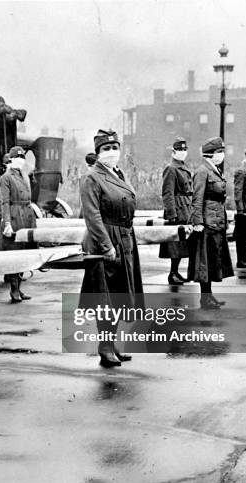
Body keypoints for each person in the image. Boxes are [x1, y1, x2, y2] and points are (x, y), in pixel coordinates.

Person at [80, 129, 143, 368]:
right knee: (105, 299)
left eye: (115, 148)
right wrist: (107, 246)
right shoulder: (92, 177)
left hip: (124, 238)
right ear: (97, 153)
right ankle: (104, 347)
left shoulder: (118, 173)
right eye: (106, 149)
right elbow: (92, 215)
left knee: (119, 296)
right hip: (104, 240)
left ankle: (112, 344)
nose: (112, 153)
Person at [187, 137, 234, 310]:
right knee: (204, 262)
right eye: (219, 152)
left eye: (222, 152)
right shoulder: (202, 171)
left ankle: (208, 297)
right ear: (210, 154)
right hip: (207, 223)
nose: (222, 155)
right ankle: (205, 298)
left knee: (212, 261)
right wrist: (198, 222)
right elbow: (197, 199)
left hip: (216, 221)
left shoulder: (213, 170)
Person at [0, 146, 37, 303]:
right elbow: (4, 202)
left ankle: (19, 288)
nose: (20, 161)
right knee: (15, 254)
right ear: (10, 160)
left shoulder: (22, 176)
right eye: (17, 158)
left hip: (26, 216)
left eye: (22, 158)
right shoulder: (5, 178)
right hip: (14, 217)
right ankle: (14, 290)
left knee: (25, 254)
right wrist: (7, 223)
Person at [160, 137, 193, 285]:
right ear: (173, 152)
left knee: (181, 245)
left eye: (185, 149)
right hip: (178, 209)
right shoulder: (171, 168)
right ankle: (172, 273)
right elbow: (167, 193)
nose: (183, 152)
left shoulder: (183, 167)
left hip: (186, 208)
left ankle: (176, 272)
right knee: (175, 245)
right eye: (180, 150)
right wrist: (171, 213)